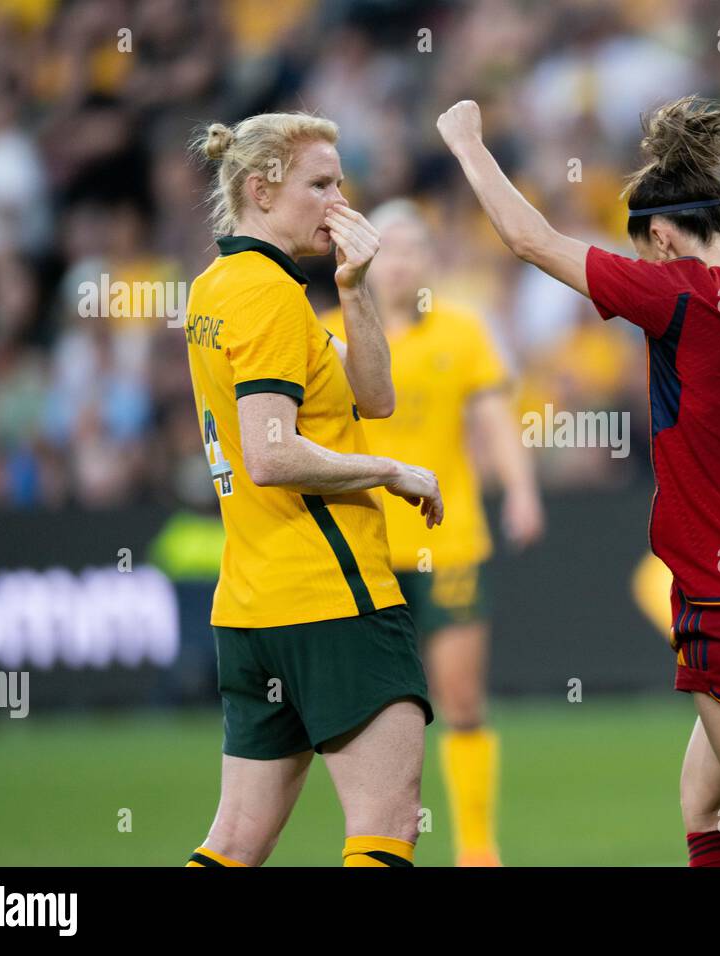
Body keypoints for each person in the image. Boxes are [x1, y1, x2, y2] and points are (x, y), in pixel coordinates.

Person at [437, 94, 720, 867]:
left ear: (662, 234)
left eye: (649, 245)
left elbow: (529, 239)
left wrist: (466, 145)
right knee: (707, 804)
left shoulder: (681, 296)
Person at [182, 111, 444, 868]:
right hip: (331, 596)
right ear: (262, 190)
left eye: (342, 182)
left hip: (251, 606)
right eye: (321, 185)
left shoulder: (223, 286)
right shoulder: (266, 295)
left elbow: (374, 395)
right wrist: (391, 471)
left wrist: (354, 287)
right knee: (387, 827)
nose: (341, 201)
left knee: (235, 841)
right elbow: (271, 453)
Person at [318, 199, 544, 866]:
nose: (403, 261)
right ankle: (376, 838)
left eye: (416, 247)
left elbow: (497, 417)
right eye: (390, 248)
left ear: (430, 261)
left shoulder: (463, 331)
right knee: (372, 712)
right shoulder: (331, 333)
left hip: (448, 541)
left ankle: (477, 848)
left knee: (462, 699)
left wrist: (523, 494)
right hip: (362, 547)